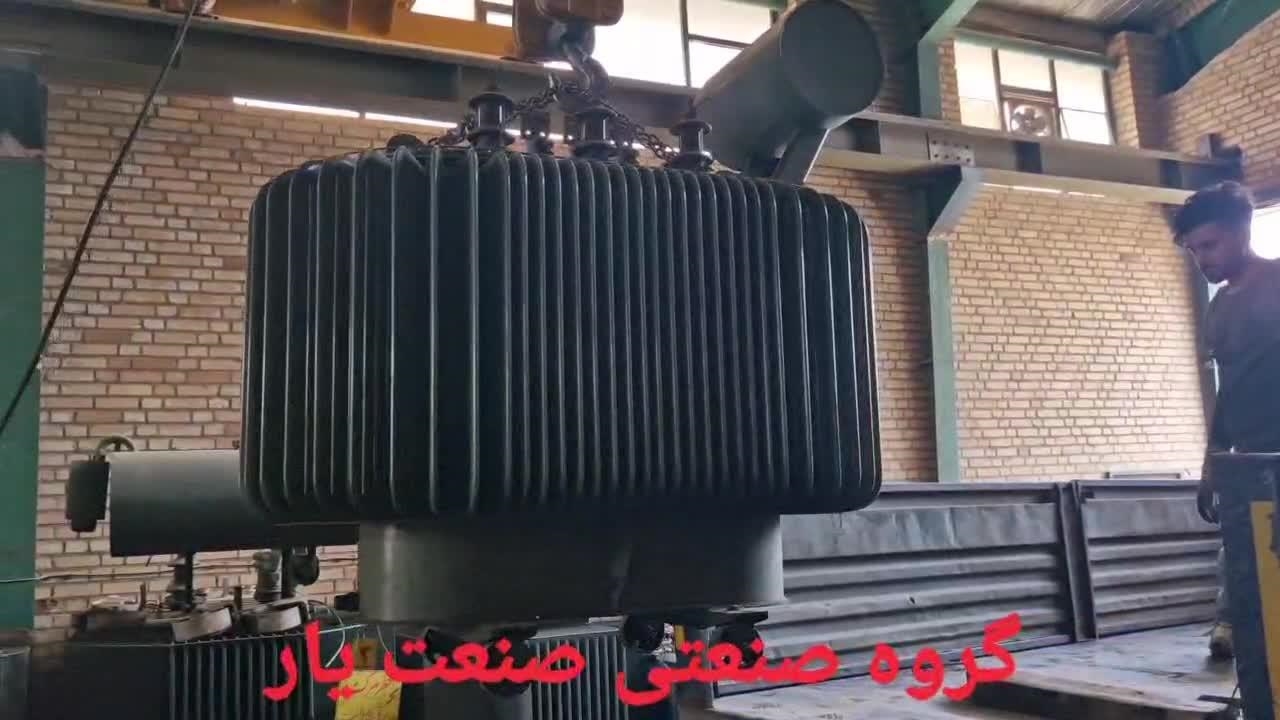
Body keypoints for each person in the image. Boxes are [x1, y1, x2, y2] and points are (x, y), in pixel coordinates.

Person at [1174, 181, 1280, 661]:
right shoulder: (1218, 308)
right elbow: (1227, 390)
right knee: (1242, 555)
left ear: (1242, 232)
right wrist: (1211, 463)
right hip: (1247, 461)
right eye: (1194, 250)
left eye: (1210, 245)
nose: (1202, 259)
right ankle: (1234, 627)